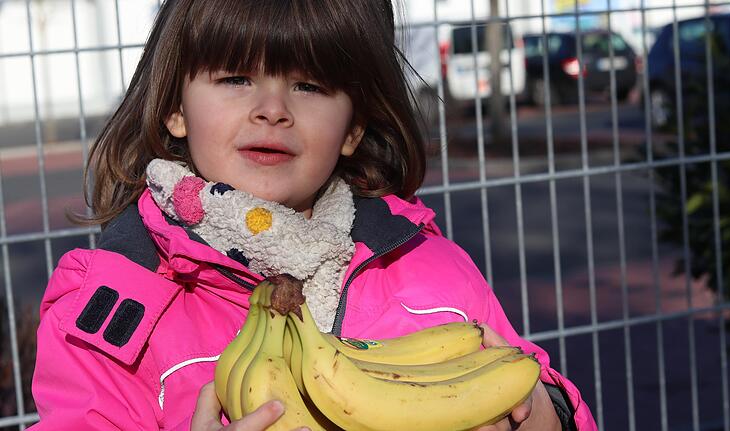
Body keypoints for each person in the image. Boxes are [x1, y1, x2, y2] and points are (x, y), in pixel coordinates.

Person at [30, 0, 598, 429]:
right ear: (176, 109)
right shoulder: (109, 306)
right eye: (235, 78)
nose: (272, 110)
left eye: (309, 84)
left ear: (352, 127)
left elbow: (520, 373)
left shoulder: (432, 269)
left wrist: (551, 414)